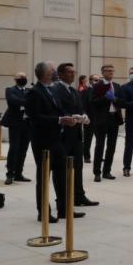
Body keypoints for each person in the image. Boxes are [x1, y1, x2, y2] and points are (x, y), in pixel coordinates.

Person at [26, 62, 83, 222]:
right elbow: (35, 117)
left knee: (62, 175)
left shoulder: (52, 90)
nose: (55, 73)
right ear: (44, 74)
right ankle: (43, 211)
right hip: (42, 142)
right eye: (52, 71)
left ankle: (64, 209)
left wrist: (71, 118)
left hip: (57, 140)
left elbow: (59, 110)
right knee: (44, 177)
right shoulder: (34, 93)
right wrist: (59, 120)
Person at [53, 63, 98, 208]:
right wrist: (70, 116)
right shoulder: (56, 90)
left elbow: (81, 107)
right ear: (60, 74)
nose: (72, 74)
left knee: (78, 167)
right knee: (62, 169)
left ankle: (79, 196)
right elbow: (56, 110)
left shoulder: (74, 91)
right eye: (68, 72)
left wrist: (84, 115)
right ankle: (63, 199)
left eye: (73, 72)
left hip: (77, 134)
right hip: (63, 136)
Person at [87, 64, 122, 182]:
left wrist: (115, 99)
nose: (111, 72)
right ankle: (97, 172)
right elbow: (92, 102)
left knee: (111, 146)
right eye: (108, 71)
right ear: (103, 73)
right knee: (100, 146)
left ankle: (107, 171)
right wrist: (106, 98)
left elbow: (121, 101)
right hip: (101, 119)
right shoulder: (97, 86)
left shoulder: (116, 86)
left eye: (112, 70)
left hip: (114, 119)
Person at [2, 72, 31, 186]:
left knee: (23, 149)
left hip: (27, 123)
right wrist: (27, 103)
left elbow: (33, 103)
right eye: (20, 77)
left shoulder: (29, 91)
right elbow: (12, 101)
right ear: (15, 79)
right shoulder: (10, 90)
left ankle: (19, 173)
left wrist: (24, 103)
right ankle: (10, 173)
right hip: (15, 123)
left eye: (24, 77)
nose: (23, 79)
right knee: (14, 148)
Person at [77, 74, 92, 163]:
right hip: (87, 116)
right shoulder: (82, 89)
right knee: (87, 138)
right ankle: (86, 155)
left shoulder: (87, 88)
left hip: (96, 118)